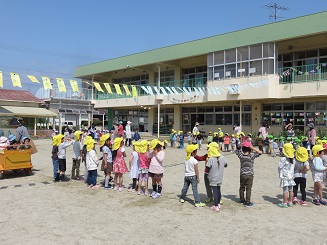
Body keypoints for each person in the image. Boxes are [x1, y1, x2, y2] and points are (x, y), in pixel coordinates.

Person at [236, 142, 262, 207]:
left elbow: (237, 150)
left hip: (242, 174)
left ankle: (242, 199)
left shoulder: (241, 156)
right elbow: (260, 152)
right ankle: (247, 202)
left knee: (242, 187)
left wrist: (242, 145)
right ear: (250, 150)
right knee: (248, 188)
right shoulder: (251, 156)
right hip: (250, 174)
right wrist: (253, 148)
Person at [205, 142, 227, 212]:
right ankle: (218, 204)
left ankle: (216, 206)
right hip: (220, 177)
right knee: (218, 190)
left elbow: (207, 168)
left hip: (213, 177)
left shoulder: (211, 159)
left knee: (214, 190)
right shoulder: (223, 158)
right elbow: (226, 165)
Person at [277, 143, 296, 208]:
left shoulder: (283, 159)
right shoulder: (293, 159)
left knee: (285, 190)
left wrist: (279, 172)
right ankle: (290, 202)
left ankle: (284, 202)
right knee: (291, 190)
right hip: (291, 176)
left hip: (285, 176)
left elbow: (280, 167)